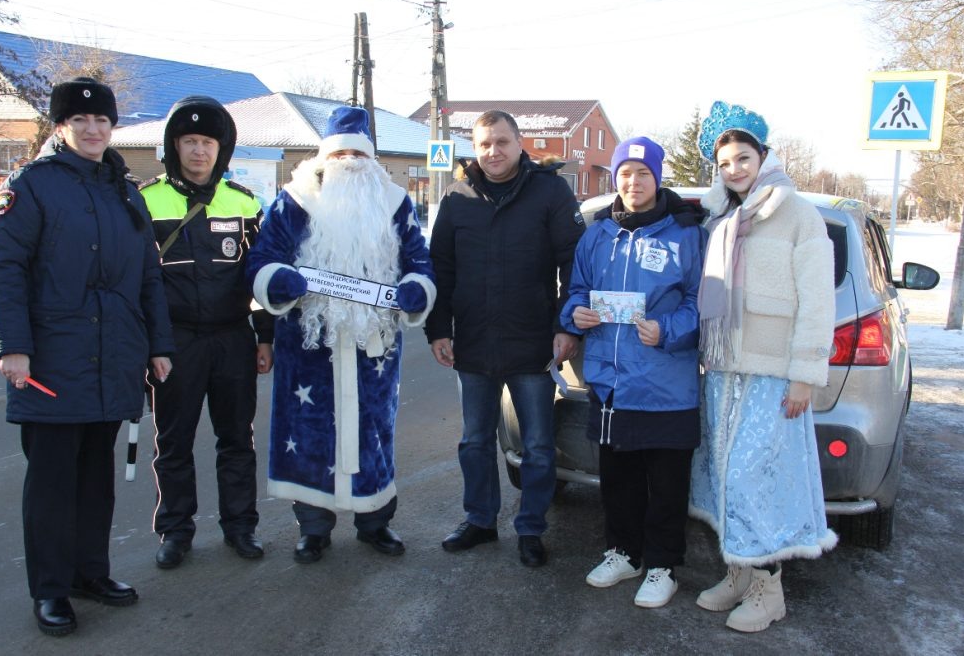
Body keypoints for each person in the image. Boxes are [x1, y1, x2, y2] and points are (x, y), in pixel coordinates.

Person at [0, 77, 174, 636]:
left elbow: (147, 277)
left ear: (113, 128)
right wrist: (12, 346)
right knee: (52, 483)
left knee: (95, 480)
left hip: (114, 358)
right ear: (60, 126)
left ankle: (91, 573)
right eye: (80, 121)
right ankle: (51, 590)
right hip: (51, 364)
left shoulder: (124, 190)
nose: (92, 130)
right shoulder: (30, 186)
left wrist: (158, 344)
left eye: (102, 122)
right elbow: (0, 268)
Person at [247, 106, 435, 563]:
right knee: (309, 434)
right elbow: (263, 256)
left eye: (358, 152)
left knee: (374, 430)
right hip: (309, 344)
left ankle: (375, 522)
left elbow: (419, 259)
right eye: (340, 152)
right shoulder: (295, 199)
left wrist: (416, 289)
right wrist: (275, 280)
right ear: (323, 158)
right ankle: (313, 528)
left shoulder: (394, 201)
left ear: (371, 159)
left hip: (375, 347)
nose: (349, 161)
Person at [689, 101, 837, 632]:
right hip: (723, 370)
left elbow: (819, 302)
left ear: (763, 156)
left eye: (743, 158)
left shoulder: (798, 215)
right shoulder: (720, 218)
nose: (735, 169)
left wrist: (804, 374)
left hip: (774, 374)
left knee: (756, 476)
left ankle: (768, 587)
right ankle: (738, 569)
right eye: (726, 161)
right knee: (722, 476)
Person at [426, 110, 584, 568]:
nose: (493, 152)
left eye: (501, 142)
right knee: (474, 441)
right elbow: (442, 269)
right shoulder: (457, 197)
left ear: (519, 143)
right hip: (472, 344)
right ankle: (479, 520)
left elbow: (574, 264)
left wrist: (565, 325)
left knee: (536, 446)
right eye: (484, 144)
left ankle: (531, 528)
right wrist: (438, 329)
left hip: (532, 343)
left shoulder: (549, 190)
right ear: (474, 149)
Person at [560, 137, 705, 607]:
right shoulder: (597, 235)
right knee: (617, 476)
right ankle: (623, 552)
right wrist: (576, 314)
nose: (633, 182)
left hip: (666, 381)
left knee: (665, 481)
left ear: (657, 179)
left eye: (643, 174)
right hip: (611, 379)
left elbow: (702, 303)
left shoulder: (685, 234)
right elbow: (577, 289)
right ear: (615, 178)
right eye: (625, 173)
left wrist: (667, 330)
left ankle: (663, 564)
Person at [140, 96, 273, 569]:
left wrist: (264, 337)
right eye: (189, 141)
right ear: (174, 146)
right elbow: (136, 283)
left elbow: (261, 280)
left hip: (232, 338)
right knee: (173, 443)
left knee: (237, 439)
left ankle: (241, 527)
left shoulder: (245, 203)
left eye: (208, 143)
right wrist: (149, 346)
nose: (199, 151)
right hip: (173, 344)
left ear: (223, 148)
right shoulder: (145, 201)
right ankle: (175, 532)